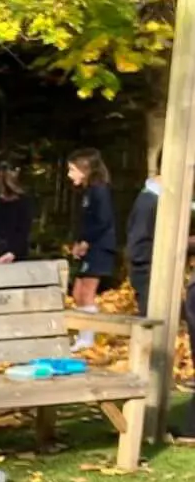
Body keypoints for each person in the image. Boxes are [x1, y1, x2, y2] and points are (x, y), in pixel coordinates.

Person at [67, 148, 117, 348]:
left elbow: (103, 221)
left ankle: (87, 339)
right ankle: (83, 335)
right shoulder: (88, 192)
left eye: (72, 170)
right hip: (88, 246)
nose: (69, 175)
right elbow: (86, 222)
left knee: (87, 293)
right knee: (78, 292)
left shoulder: (100, 190)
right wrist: (78, 241)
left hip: (99, 248)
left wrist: (86, 242)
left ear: (85, 169)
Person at [125, 165, 160, 320]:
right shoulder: (149, 202)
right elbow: (139, 240)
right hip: (146, 267)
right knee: (150, 317)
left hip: (148, 265)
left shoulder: (154, 199)